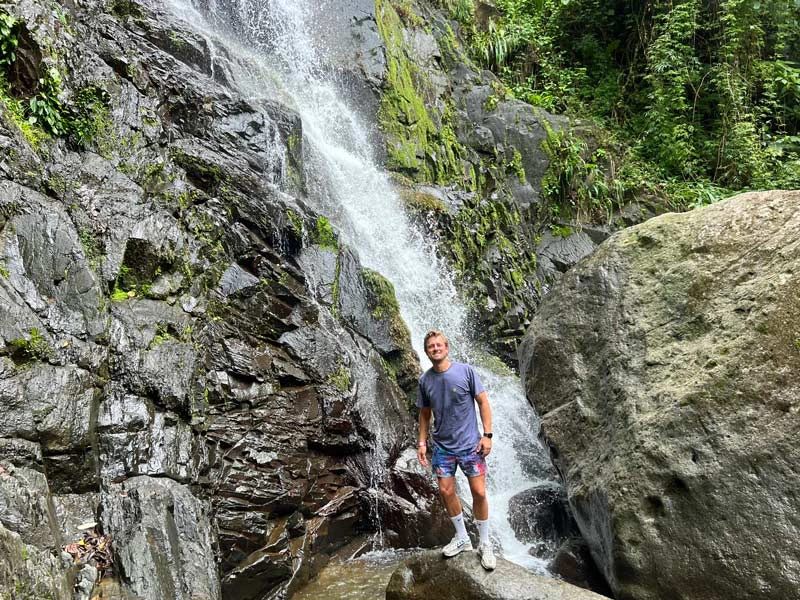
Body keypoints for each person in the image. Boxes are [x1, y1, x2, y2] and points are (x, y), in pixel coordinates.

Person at [416, 329, 496, 571]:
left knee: (479, 493)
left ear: (446, 347)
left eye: (439, 345)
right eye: (431, 346)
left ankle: (485, 543)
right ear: (427, 351)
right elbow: (424, 414)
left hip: (471, 444)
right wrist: (422, 442)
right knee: (445, 490)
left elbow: (483, 402)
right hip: (442, 446)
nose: (436, 349)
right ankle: (462, 537)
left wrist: (487, 435)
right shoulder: (425, 380)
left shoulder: (466, 371)